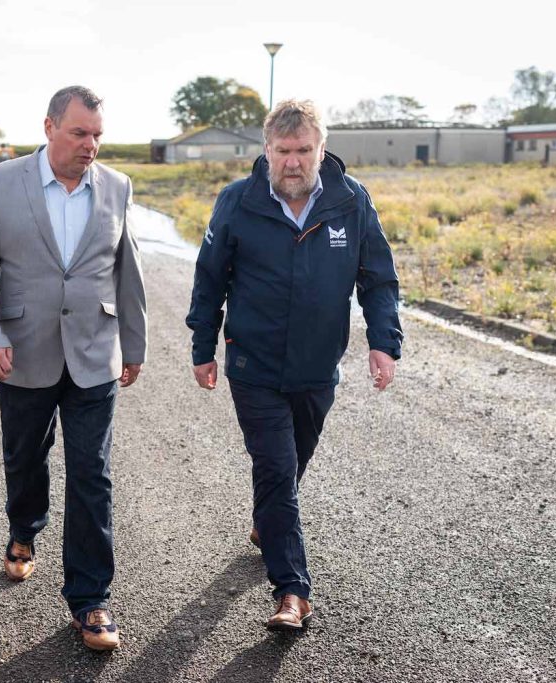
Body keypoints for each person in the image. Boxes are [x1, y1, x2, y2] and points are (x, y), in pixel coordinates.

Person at [186, 99, 403, 631]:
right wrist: (202, 346)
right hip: (254, 365)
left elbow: (377, 279)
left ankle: (269, 523)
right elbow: (209, 277)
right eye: (283, 151)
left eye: (303, 150)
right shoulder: (238, 201)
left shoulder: (351, 202)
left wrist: (383, 342)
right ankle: (292, 591)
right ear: (267, 150)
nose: (292, 162)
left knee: (292, 464)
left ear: (320, 149)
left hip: (317, 367)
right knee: (277, 470)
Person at [0, 85, 146, 651]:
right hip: (21, 351)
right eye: (79, 133)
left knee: (92, 473)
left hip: (95, 352)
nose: (91, 146)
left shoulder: (116, 186)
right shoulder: (0, 182)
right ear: (49, 127)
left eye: (97, 136)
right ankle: (23, 530)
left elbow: (126, 268)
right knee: (25, 456)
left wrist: (133, 345)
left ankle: (91, 600)